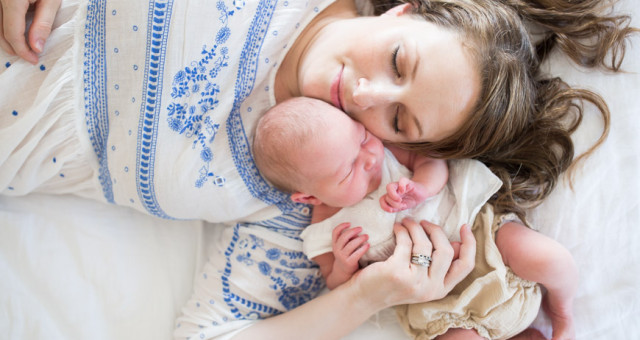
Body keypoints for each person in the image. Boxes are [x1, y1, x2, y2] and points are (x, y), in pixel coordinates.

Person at [1, 0, 636, 338]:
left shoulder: (306, 201)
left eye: (400, 123)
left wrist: (368, 294)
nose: (366, 96)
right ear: (401, 12)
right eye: (397, 61)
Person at [253, 96, 576, 339]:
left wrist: (422, 187)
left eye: (363, 138)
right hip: (442, 304)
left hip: (481, 237)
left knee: (549, 259)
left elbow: (432, 162)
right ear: (309, 197)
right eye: (349, 168)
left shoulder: (391, 154)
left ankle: (562, 311)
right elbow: (336, 286)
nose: (369, 157)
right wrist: (343, 265)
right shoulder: (323, 231)